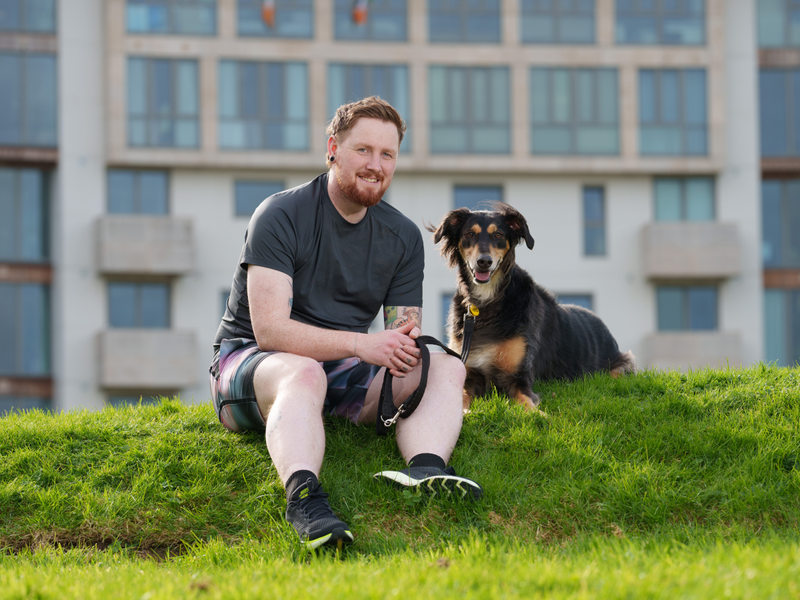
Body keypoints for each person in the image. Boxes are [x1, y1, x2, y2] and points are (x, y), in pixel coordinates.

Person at [209, 96, 482, 551]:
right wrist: (361, 344)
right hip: (253, 362)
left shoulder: (403, 237)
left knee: (445, 366)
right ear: (332, 148)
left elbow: (402, 336)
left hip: (340, 367)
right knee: (304, 370)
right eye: (363, 150)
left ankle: (426, 468)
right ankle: (305, 501)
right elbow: (271, 331)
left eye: (387, 154)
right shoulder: (280, 215)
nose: (376, 165)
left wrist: (403, 349)